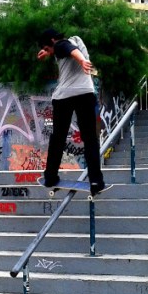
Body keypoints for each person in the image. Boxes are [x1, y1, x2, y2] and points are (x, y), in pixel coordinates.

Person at [37, 28, 106, 195]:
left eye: (47, 48)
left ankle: (50, 176)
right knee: (90, 139)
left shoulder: (61, 45)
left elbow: (69, 50)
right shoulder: (75, 42)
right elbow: (70, 50)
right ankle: (96, 181)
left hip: (64, 97)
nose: (48, 52)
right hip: (85, 94)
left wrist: (81, 61)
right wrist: (48, 53)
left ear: (52, 41)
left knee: (58, 138)